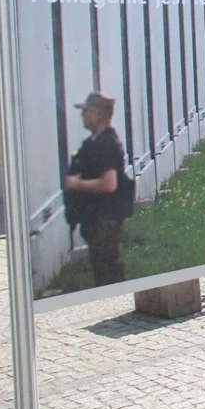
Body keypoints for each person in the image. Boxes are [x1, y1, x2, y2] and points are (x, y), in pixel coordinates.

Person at [64, 92, 130, 287]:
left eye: (85, 111)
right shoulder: (95, 143)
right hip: (96, 220)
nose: (82, 116)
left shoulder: (106, 144)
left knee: (108, 275)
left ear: (97, 114)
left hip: (105, 222)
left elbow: (109, 184)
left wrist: (76, 184)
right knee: (104, 271)